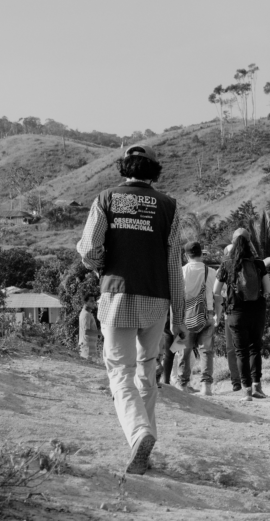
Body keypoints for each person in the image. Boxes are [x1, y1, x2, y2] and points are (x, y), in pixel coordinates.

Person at [77, 144, 186, 475]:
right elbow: (173, 264)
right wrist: (178, 316)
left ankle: (140, 434)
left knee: (119, 372)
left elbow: (88, 248)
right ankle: (145, 447)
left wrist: (100, 266)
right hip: (156, 300)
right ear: (154, 170)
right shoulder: (169, 206)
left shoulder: (105, 199)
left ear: (124, 168)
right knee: (145, 370)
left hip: (117, 294)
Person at [215, 229, 270, 401]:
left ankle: (246, 390)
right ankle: (257, 386)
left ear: (232, 242)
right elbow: (267, 290)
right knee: (255, 348)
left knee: (241, 352)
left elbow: (215, 290)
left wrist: (229, 295)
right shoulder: (259, 264)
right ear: (249, 243)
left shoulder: (227, 264)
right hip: (256, 312)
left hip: (236, 312)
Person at [178, 241, 218, 395]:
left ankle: (183, 385)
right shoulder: (211, 272)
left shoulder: (181, 271)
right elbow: (222, 293)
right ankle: (206, 386)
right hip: (206, 315)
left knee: (184, 350)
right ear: (201, 253)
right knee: (206, 351)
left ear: (186, 255)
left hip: (185, 317)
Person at [218, 244, 242, 392]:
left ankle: (236, 381)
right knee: (246, 347)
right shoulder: (250, 264)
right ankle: (249, 380)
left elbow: (218, 292)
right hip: (248, 312)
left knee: (231, 349)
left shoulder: (225, 268)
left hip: (231, 312)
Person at [78, 295, 99, 362]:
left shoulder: (88, 313)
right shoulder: (86, 314)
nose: (94, 303)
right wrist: (103, 332)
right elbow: (86, 331)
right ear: (85, 302)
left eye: (94, 301)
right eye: (91, 301)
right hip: (87, 348)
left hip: (90, 347)